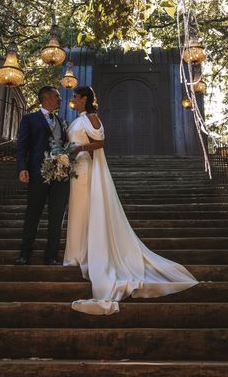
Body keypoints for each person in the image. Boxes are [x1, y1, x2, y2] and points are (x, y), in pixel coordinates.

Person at [63, 86, 198, 315]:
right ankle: (77, 253)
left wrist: (79, 149)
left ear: (84, 98)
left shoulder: (92, 118)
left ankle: (87, 253)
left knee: (86, 210)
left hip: (86, 168)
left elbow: (100, 142)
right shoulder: (78, 119)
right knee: (77, 211)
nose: (73, 99)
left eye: (76, 96)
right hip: (76, 169)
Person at [15, 86, 69, 265]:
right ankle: (24, 254)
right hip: (38, 172)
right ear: (46, 97)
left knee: (57, 215)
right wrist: (22, 168)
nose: (60, 99)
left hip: (61, 175)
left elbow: (65, 144)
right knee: (33, 212)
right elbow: (22, 146)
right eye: (57, 96)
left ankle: (51, 255)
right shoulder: (30, 119)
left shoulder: (61, 121)